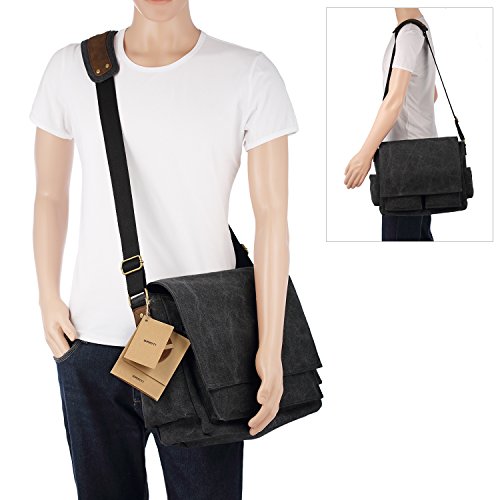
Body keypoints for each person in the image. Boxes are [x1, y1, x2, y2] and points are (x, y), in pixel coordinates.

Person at [30, 1, 298, 498]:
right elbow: (49, 194)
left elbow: (272, 218)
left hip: (205, 350)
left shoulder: (249, 74)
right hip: (90, 343)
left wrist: (271, 343)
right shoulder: (71, 68)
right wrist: (48, 297)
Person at [344, 7, 437, 241]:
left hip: (406, 162)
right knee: (419, 238)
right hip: (424, 156)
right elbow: (431, 93)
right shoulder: (420, 27)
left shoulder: (408, 34)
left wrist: (365, 155)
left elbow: (394, 101)